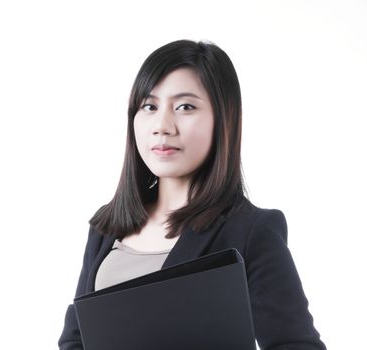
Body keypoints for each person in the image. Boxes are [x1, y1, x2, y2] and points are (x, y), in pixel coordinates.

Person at [57, 39, 326, 350]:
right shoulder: (107, 227)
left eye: (185, 107)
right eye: (149, 106)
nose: (162, 125)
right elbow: (75, 341)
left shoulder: (252, 231)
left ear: (223, 119)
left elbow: (295, 344)